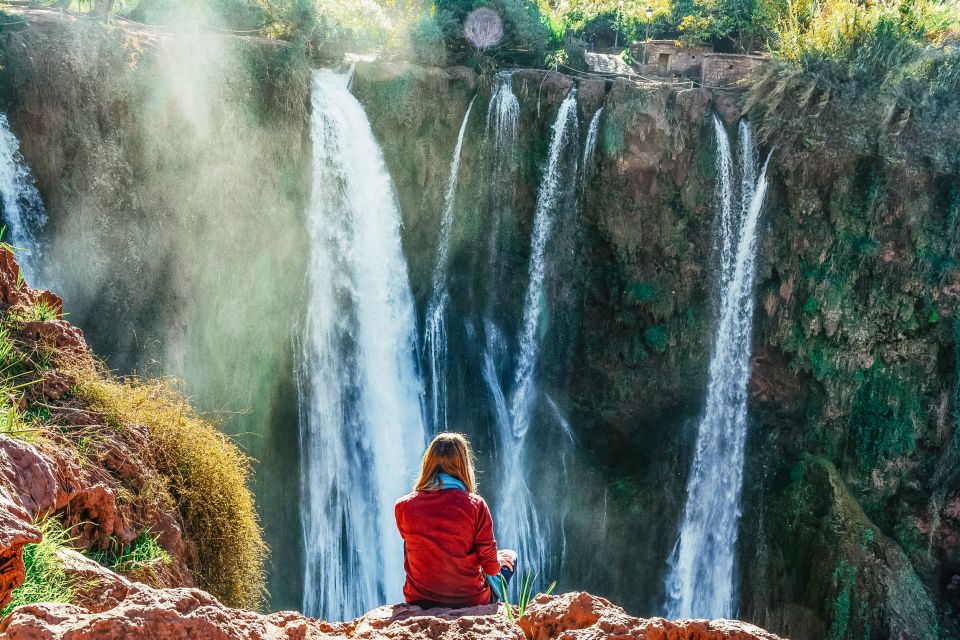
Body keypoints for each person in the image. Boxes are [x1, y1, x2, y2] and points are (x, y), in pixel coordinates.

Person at [395, 432, 518, 608]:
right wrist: (496, 559)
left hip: (420, 601)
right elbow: (491, 568)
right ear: (464, 465)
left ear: (428, 463)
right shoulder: (476, 505)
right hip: (470, 600)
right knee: (510, 556)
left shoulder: (403, 506)